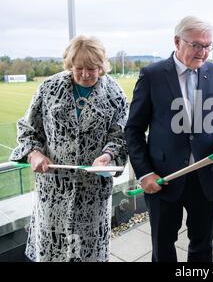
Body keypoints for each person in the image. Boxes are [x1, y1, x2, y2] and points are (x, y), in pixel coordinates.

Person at [125, 16, 213, 262]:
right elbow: (133, 130)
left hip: (206, 177)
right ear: (177, 41)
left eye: (208, 46)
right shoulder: (152, 75)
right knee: (163, 245)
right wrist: (144, 173)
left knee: (202, 245)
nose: (204, 52)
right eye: (197, 45)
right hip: (163, 178)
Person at [9, 35, 128, 262]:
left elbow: (121, 136)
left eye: (92, 68)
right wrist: (34, 153)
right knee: (52, 251)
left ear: (102, 66)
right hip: (53, 190)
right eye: (79, 68)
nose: (85, 74)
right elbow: (28, 129)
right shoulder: (49, 88)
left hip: (92, 193)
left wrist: (107, 155)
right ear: (70, 64)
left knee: (89, 253)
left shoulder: (115, 94)